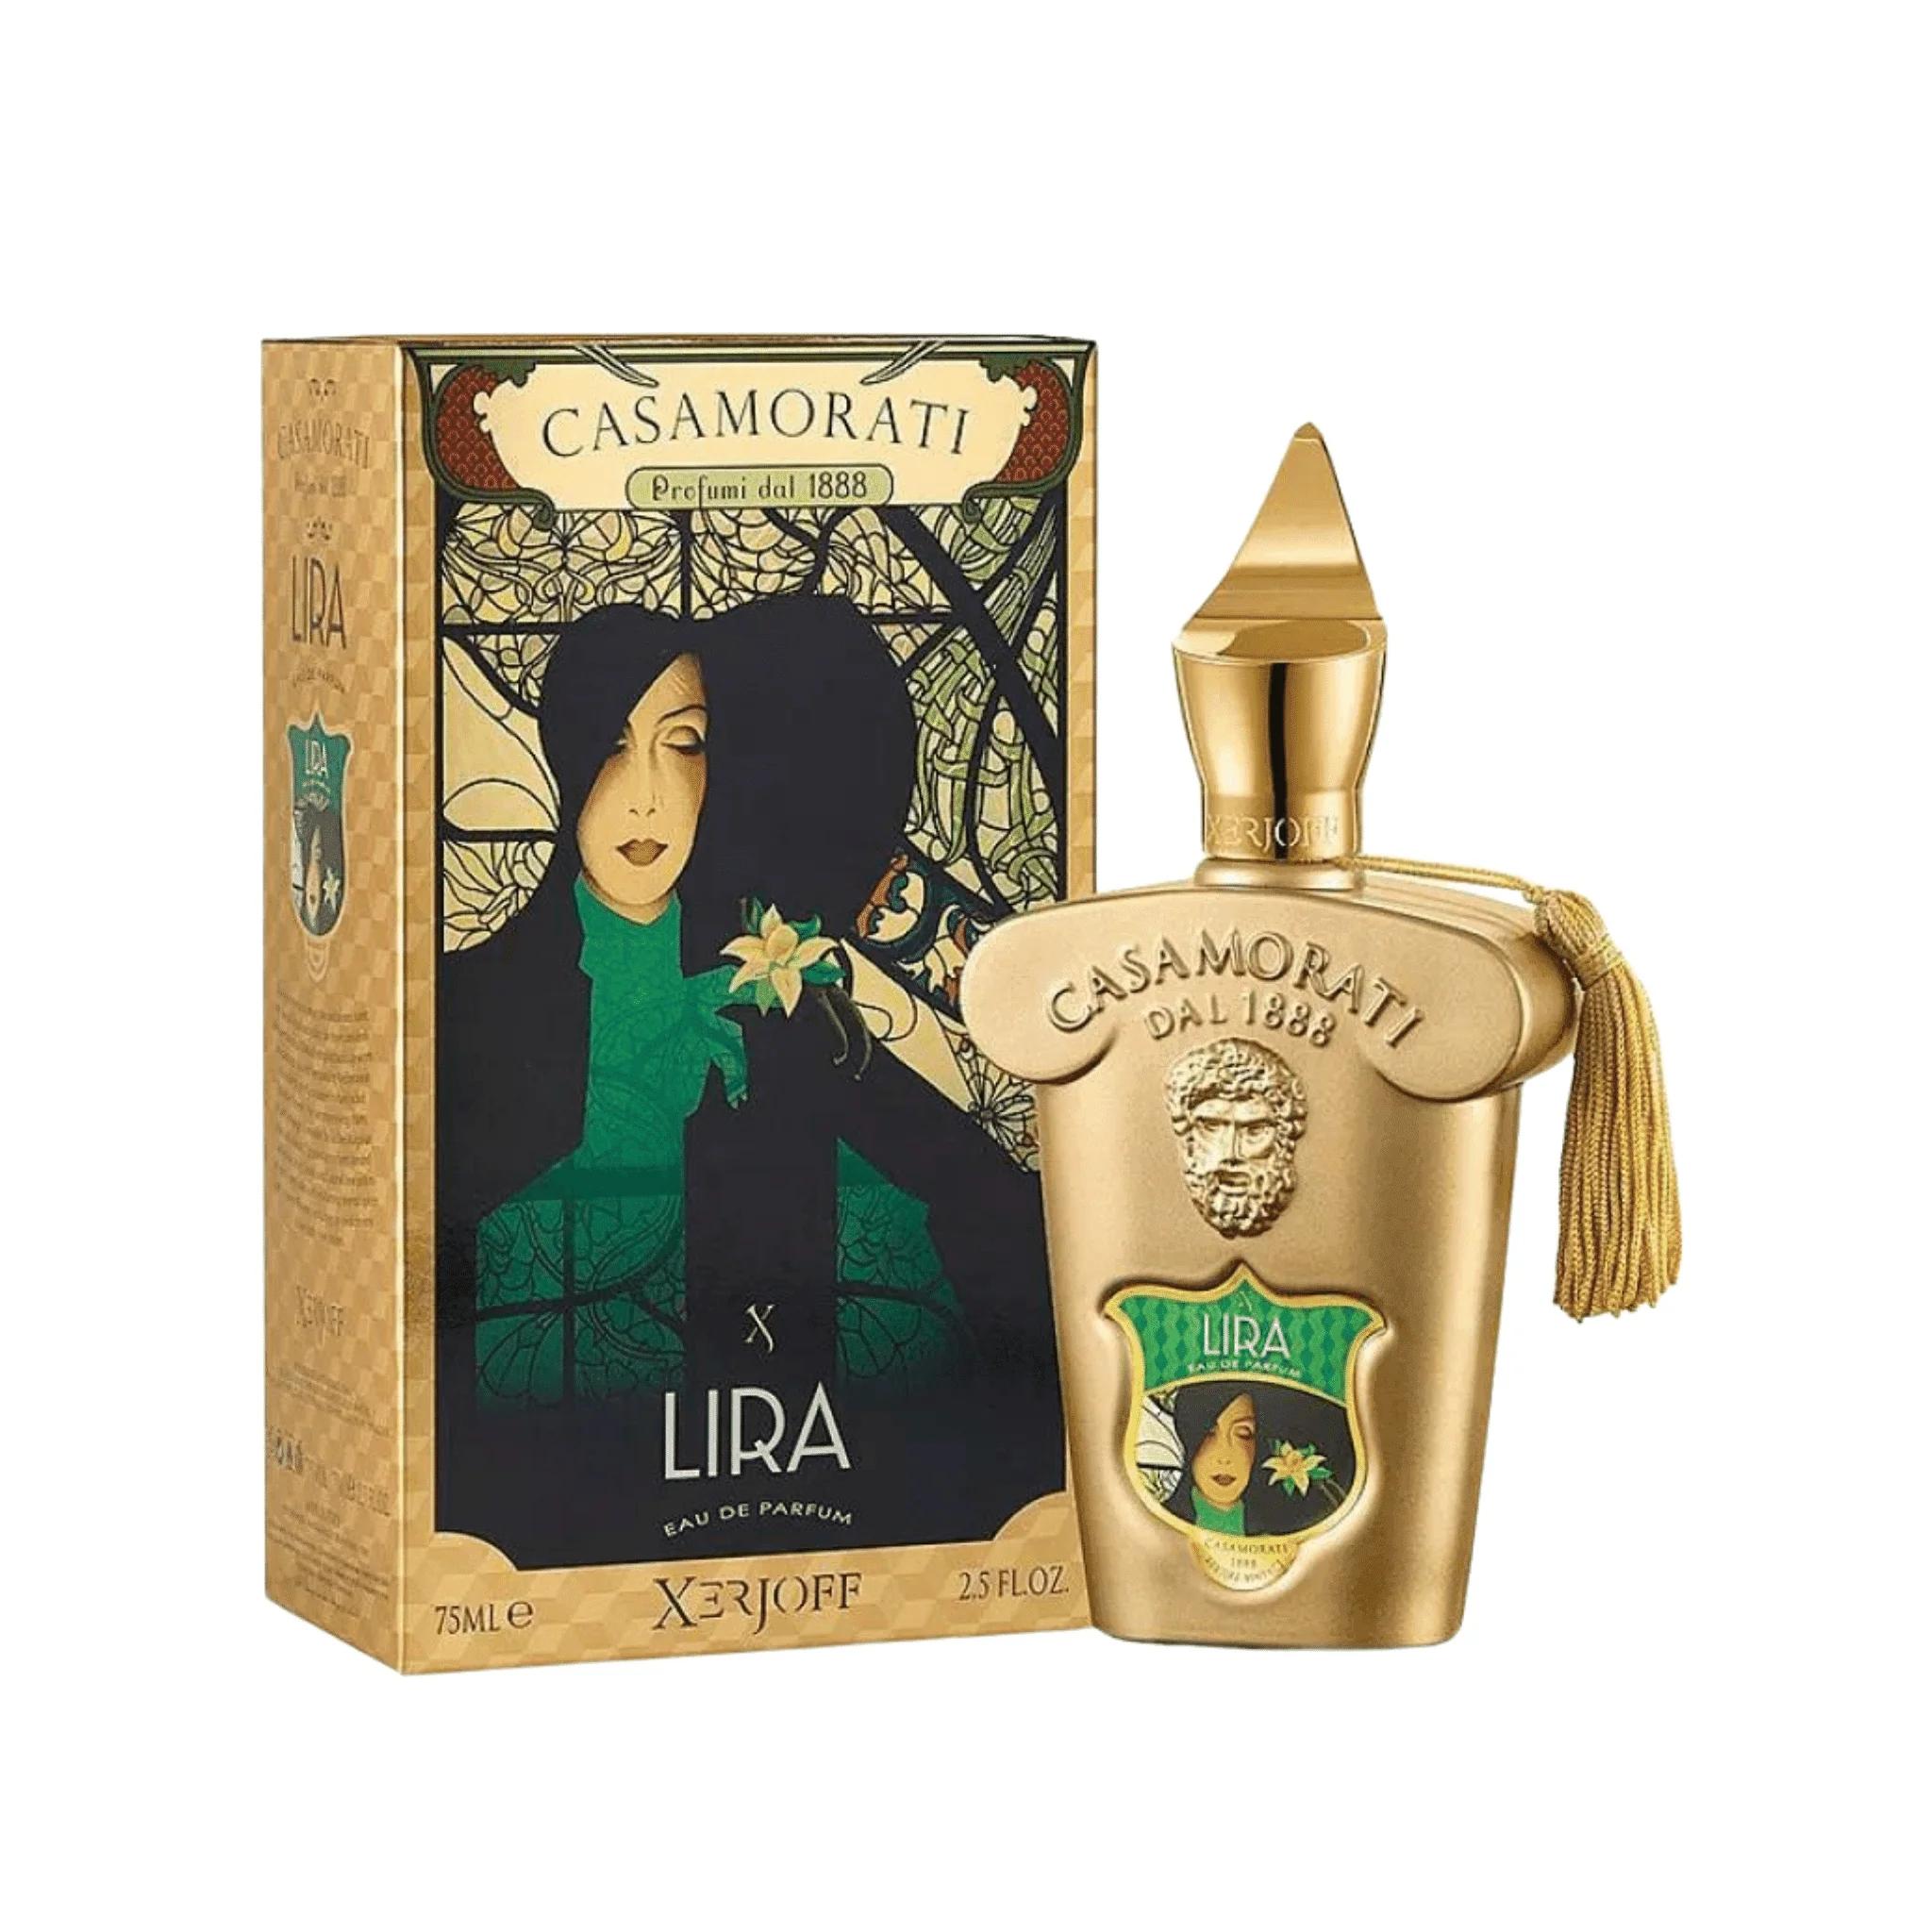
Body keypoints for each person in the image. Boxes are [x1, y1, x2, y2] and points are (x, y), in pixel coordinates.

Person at [435, 597, 1060, 1565]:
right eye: (613, 746)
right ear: (563, 758)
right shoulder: (468, 1002)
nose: (646, 798)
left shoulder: (771, 991)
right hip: (546, 1501)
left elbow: (972, 1197)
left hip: (807, 1486)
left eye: (683, 746)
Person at [1162, 1379, 1357, 1537]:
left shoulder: (1281, 1531)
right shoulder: (1161, 1526)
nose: (1225, 1458)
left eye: (1243, 1434)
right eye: (1209, 1433)